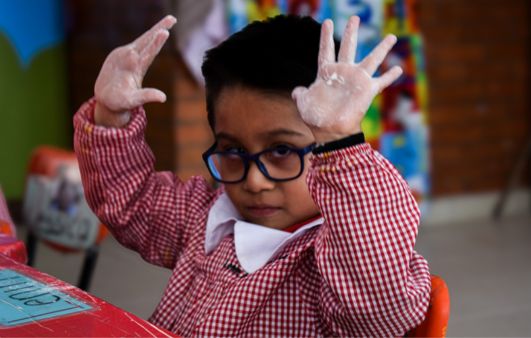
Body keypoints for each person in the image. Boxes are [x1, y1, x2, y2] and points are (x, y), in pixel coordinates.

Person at [74, 13, 431, 337]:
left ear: (326, 149)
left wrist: (341, 143)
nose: (254, 182)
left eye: (282, 151)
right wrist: (111, 116)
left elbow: (379, 313)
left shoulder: (340, 260)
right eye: (232, 151)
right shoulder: (204, 217)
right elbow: (130, 203)